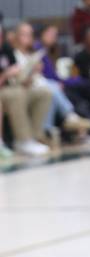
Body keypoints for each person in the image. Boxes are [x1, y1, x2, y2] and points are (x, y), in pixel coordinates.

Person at [0, 22, 51, 157]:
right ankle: (23, 140)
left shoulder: (6, 49)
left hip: (15, 87)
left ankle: (33, 137)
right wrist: (5, 75)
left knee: (44, 93)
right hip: (4, 91)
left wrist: (30, 74)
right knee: (16, 94)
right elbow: (7, 77)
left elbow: (18, 78)